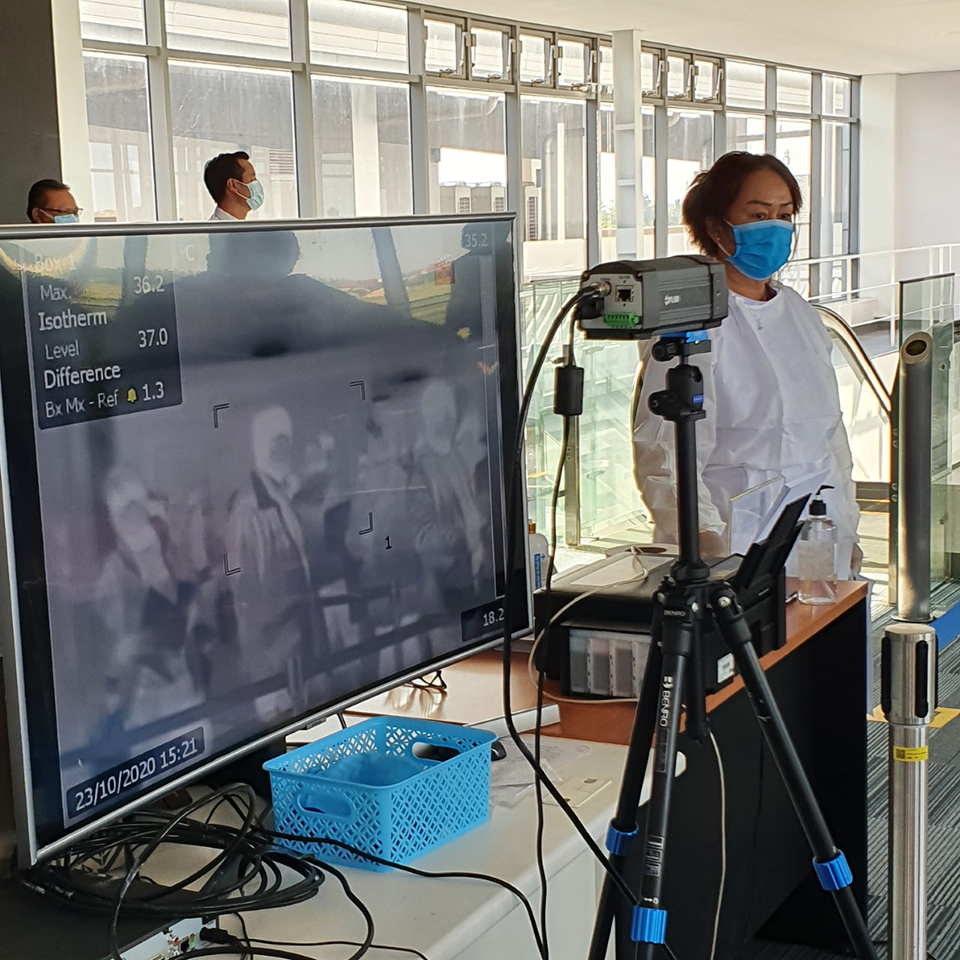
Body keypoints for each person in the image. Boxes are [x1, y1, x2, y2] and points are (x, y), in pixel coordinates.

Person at [633, 152, 861, 577]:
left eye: (784, 215)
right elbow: (664, 450)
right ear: (717, 227)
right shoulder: (692, 325)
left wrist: (848, 527)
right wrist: (702, 538)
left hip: (817, 535)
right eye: (758, 215)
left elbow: (830, 437)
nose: (774, 227)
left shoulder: (801, 314)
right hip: (733, 542)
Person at [226, 406, 313, 715]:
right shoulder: (248, 509)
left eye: (286, 441)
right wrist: (262, 666)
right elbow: (242, 594)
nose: (283, 450)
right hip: (270, 657)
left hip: (294, 647)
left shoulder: (284, 499)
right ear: (259, 447)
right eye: (275, 442)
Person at [203, 150, 264, 221]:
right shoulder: (216, 228)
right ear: (233, 185)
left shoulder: (241, 225)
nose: (257, 183)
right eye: (252, 179)